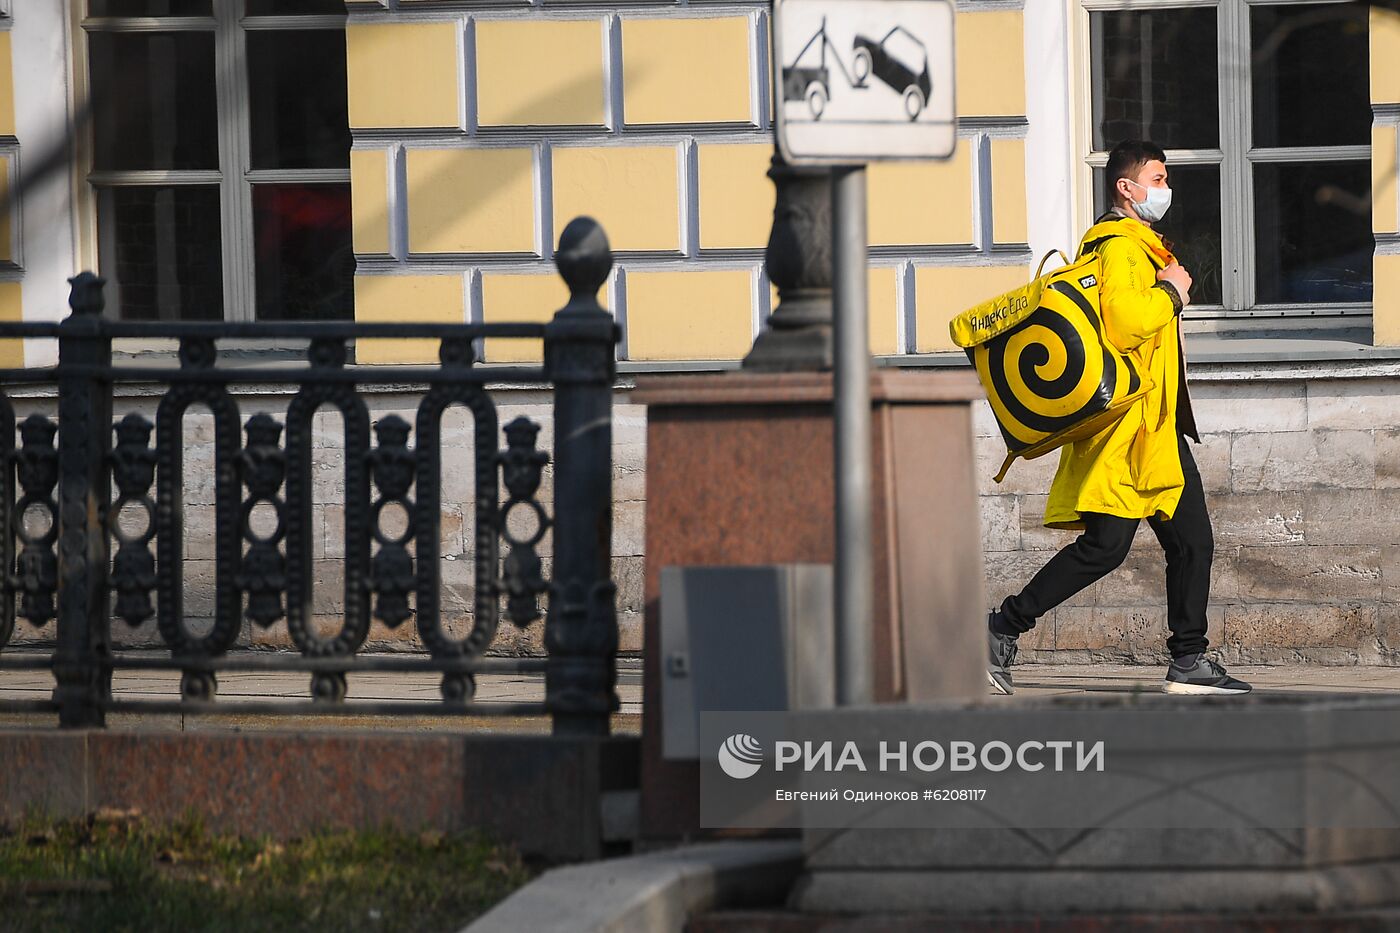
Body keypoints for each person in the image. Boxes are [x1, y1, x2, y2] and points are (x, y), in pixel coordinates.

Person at [986, 140, 1251, 697]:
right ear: (1125, 188)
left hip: (1149, 425)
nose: (1165, 189)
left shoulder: (1133, 245)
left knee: (1184, 542)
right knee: (1113, 547)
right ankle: (998, 629)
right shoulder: (1122, 249)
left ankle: (1188, 658)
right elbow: (1129, 324)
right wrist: (1173, 292)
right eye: (1156, 178)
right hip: (1134, 429)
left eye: (1165, 178)